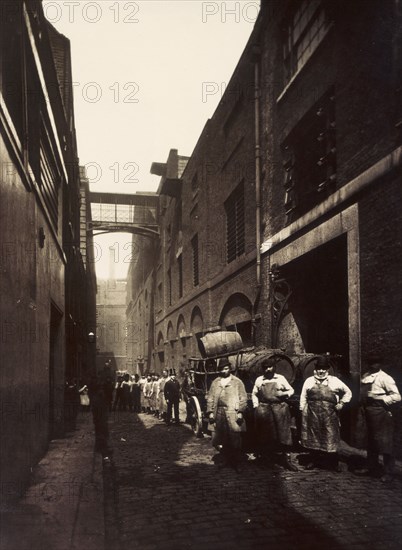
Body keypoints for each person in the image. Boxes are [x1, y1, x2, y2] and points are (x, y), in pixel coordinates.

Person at [299, 355, 352, 471]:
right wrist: (302, 410)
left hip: (329, 414)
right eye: (319, 368)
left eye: (324, 369)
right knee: (313, 436)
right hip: (313, 413)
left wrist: (342, 403)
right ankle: (313, 461)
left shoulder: (334, 381)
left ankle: (333, 463)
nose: (321, 371)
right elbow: (303, 396)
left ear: (327, 369)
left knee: (330, 436)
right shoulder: (309, 381)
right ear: (316, 369)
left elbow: (348, 392)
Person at [358, 353, 401, 482]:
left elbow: (397, 396)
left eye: (375, 363)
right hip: (367, 411)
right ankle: (371, 466)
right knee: (370, 441)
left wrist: (379, 398)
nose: (373, 365)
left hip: (381, 412)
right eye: (370, 363)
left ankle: (389, 472)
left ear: (380, 364)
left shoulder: (385, 378)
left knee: (385, 442)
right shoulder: (365, 376)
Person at [252, 356, 298, 471]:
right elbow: (254, 394)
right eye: (266, 367)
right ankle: (267, 460)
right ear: (263, 369)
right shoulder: (259, 380)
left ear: (274, 368)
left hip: (279, 408)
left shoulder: (280, 378)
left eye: (270, 367)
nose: (268, 369)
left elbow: (291, 390)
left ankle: (286, 460)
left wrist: (284, 394)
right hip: (265, 408)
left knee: (284, 434)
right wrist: (256, 405)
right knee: (266, 435)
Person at [206, 357, 248, 471]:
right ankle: (225, 460)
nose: (224, 371)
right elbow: (210, 398)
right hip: (219, 412)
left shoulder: (237, 382)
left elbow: (243, 398)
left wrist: (240, 412)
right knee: (222, 437)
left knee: (235, 438)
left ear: (229, 368)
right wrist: (210, 412)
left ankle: (237, 462)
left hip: (232, 413)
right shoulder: (216, 382)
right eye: (222, 369)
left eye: (226, 368)